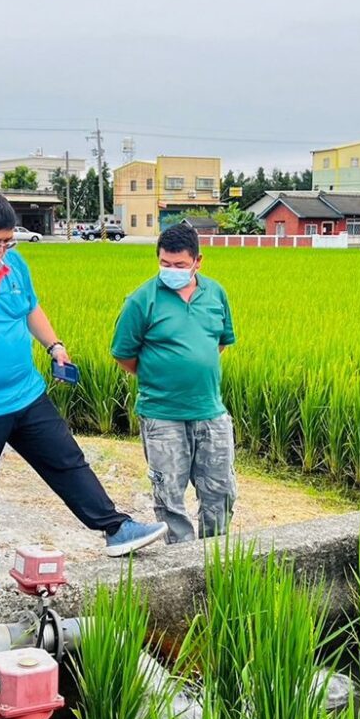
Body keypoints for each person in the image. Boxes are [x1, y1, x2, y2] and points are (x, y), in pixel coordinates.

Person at [0, 192, 167, 597]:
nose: (0, 251)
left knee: (67, 459)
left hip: (25, 393)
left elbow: (31, 308)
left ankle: (115, 528)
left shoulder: (14, 264)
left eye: (7, 242)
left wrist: (54, 345)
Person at [111, 223, 237, 545]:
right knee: (169, 497)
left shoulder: (216, 294)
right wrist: (161, 376)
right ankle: (183, 564)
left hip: (210, 412)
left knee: (220, 492)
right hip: (162, 415)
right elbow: (124, 355)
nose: (172, 271)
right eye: (165, 264)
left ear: (198, 261)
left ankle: (215, 559)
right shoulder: (141, 300)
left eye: (180, 265)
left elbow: (219, 343)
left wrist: (191, 365)